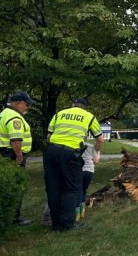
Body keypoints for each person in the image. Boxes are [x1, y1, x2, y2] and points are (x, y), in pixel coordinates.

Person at [44, 98, 104, 231]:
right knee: (71, 188)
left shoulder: (59, 114)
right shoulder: (88, 116)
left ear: (72, 106)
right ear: (85, 108)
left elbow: (49, 136)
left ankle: (55, 223)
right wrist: (97, 150)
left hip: (51, 152)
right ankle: (67, 224)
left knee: (53, 187)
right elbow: (100, 139)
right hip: (70, 154)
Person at [0, 91, 36, 225]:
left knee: (7, 185)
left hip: (1, 153)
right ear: (18, 103)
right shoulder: (15, 118)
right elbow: (16, 140)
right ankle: (14, 217)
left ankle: (6, 215)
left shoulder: (4, 113)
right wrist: (19, 156)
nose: (28, 107)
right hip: (12, 155)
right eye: (26, 104)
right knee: (16, 185)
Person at [76, 134, 100, 222]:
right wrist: (99, 152)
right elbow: (96, 160)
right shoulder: (91, 146)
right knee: (84, 190)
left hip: (79, 170)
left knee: (78, 191)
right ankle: (83, 212)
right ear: (87, 137)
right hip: (89, 170)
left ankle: (77, 215)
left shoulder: (76, 146)